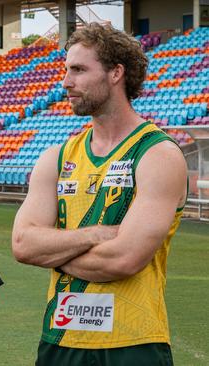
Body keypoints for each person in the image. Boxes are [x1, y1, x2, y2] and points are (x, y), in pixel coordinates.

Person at [11, 23, 186, 365]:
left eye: (78, 70)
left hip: (132, 344)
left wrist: (52, 251)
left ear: (116, 73)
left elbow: (124, 259)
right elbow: (22, 245)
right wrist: (94, 235)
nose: (66, 83)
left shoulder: (157, 154)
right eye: (66, 70)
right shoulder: (56, 158)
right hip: (60, 341)